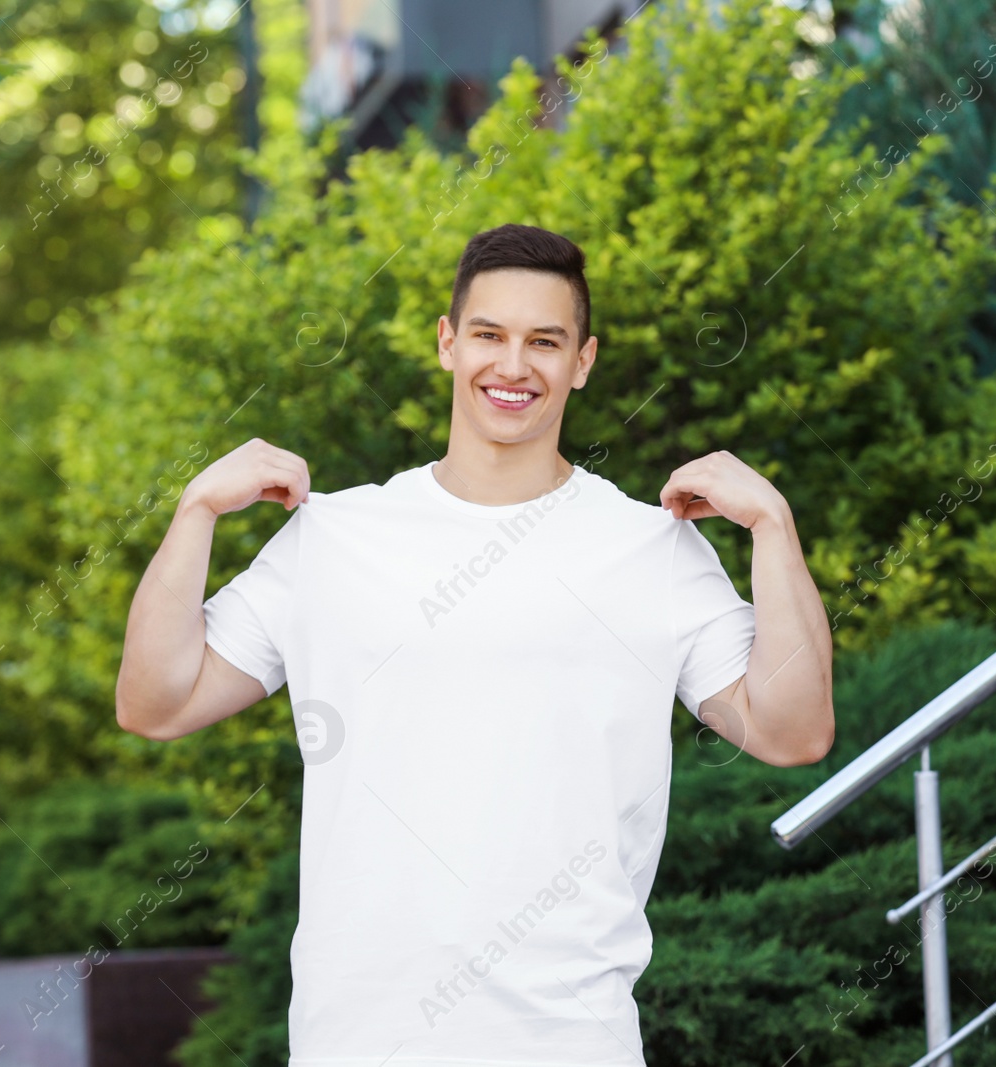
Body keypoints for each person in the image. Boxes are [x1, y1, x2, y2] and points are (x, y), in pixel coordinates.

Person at [115, 222, 834, 1066]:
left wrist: (774, 527)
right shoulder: (337, 536)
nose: (514, 365)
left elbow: (794, 731)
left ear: (584, 361)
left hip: (570, 1041)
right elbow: (155, 702)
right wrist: (196, 510)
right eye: (489, 334)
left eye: (545, 341)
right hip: (357, 1040)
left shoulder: (653, 549)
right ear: (448, 343)